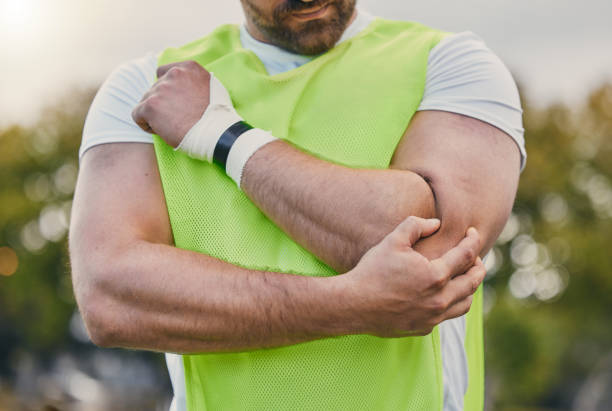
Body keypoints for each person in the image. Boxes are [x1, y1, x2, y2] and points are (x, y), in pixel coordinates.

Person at [69, 1, 525, 410]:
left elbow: (431, 252)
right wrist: (350, 304)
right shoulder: (150, 90)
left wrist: (224, 135)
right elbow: (109, 295)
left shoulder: (450, 64)